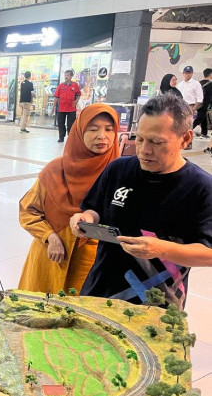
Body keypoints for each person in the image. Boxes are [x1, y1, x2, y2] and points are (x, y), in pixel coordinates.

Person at [69, 93, 212, 309]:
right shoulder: (118, 169)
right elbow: (95, 208)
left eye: (156, 142)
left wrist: (161, 249)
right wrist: (85, 218)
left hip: (157, 305)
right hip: (99, 293)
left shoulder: (201, 188)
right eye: (140, 139)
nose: (144, 150)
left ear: (186, 138)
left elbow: (209, 253)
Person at [18, 104, 120, 294]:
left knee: (81, 315)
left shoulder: (121, 174)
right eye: (93, 129)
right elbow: (28, 210)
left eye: (109, 129)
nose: (102, 136)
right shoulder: (55, 170)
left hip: (92, 262)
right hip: (50, 257)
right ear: (80, 131)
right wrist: (50, 237)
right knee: (40, 312)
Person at [53, 69, 81, 142]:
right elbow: (56, 97)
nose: (66, 77)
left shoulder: (75, 85)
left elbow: (78, 94)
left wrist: (76, 101)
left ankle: (70, 138)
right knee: (61, 123)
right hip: (61, 108)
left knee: (71, 125)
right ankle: (61, 137)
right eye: (65, 75)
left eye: (68, 75)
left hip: (71, 108)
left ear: (71, 76)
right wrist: (53, 107)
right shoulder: (60, 86)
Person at [194, 68, 211, 139]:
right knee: (199, 119)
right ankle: (186, 130)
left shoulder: (198, 83)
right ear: (210, 74)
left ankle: (204, 133)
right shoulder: (210, 84)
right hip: (204, 105)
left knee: (203, 118)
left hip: (197, 104)